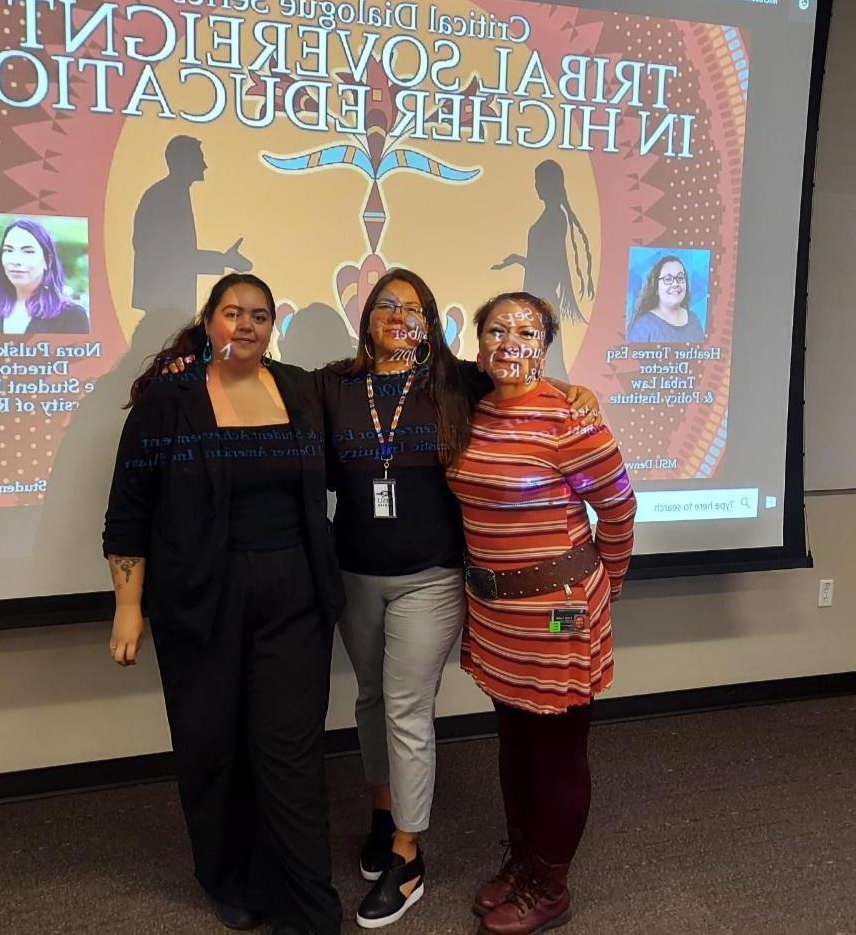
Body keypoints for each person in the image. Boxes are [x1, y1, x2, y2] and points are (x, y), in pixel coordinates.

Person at [165, 269, 600, 929]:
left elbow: (524, 384)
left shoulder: (455, 382)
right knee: (371, 698)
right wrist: (194, 355)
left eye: (415, 307)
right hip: (354, 574)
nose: (400, 316)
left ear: (431, 322)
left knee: (404, 704)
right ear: (366, 317)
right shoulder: (331, 385)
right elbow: (259, 379)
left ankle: (407, 853)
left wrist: (574, 387)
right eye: (387, 306)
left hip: (431, 576)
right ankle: (382, 814)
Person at [102, 273, 343, 935]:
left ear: (273, 327)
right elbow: (129, 511)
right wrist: (129, 607)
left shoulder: (299, 389)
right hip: (199, 598)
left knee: (289, 752)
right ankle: (226, 876)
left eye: (259, 315)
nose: (245, 324)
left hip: (295, 595)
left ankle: (305, 904)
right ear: (209, 322)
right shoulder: (168, 401)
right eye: (232, 312)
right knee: (213, 746)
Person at [446, 292, 636, 935]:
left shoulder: (571, 420)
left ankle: (549, 886)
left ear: (546, 345)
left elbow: (618, 509)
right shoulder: (469, 410)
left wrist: (607, 585)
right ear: (480, 344)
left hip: (559, 613)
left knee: (556, 750)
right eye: (496, 329)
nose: (510, 340)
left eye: (526, 330)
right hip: (495, 613)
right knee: (514, 742)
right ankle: (524, 860)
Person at [493, 160, 595, 380]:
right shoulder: (552, 216)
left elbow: (551, 266)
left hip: (544, 304)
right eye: (536, 181)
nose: (536, 185)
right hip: (537, 304)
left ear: (549, 184)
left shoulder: (554, 218)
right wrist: (519, 260)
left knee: (547, 365)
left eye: (539, 181)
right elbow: (544, 262)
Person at [131, 135, 251, 314]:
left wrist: (224, 260)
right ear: (182, 162)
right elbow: (173, 257)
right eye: (199, 158)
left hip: (171, 303)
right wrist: (224, 260)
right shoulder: (163, 197)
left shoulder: (173, 194)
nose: (204, 165)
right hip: (165, 305)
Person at [0, 217, 89, 334]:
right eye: (8, 250)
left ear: (48, 261)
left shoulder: (72, 316)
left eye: (28, 251)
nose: (16, 260)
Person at [626, 253, 706, 343]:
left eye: (680, 278)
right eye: (668, 279)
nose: (675, 284)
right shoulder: (643, 326)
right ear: (656, 288)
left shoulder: (694, 320)